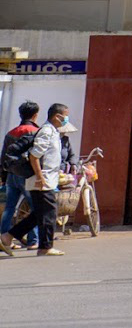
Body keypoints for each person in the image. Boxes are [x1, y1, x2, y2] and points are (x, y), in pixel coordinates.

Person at [1, 103, 70, 257]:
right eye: (65, 115)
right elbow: (34, 156)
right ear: (57, 116)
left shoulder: (53, 131)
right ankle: (45, 247)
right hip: (42, 181)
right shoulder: (46, 131)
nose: (67, 118)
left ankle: (7, 237)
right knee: (50, 213)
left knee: (39, 214)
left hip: (46, 179)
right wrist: (39, 177)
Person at [1, 101, 39, 251]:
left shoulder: (11, 132)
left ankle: (3, 238)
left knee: (9, 207)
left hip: (11, 175)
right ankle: (33, 240)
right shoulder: (35, 132)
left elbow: (3, 156)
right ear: (35, 115)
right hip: (27, 175)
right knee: (34, 208)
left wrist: (3, 176)